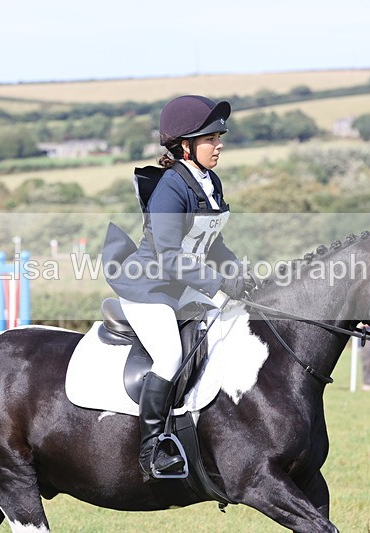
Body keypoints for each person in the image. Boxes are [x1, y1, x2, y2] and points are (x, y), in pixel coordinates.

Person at [103, 95, 254, 481]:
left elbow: (211, 243)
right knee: (170, 355)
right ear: (185, 145)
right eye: (210, 139)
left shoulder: (208, 181)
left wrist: (241, 274)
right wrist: (218, 286)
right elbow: (170, 255)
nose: (219, 144)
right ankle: (152, 448)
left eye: (220, 137)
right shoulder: (171, 187)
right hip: (149, 288)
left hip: (182, 285)